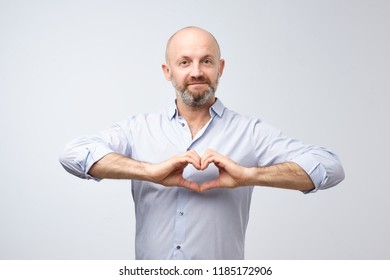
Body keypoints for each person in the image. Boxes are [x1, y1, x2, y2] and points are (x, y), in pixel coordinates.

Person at [59, 26, 345, 260]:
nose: (196, 71)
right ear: (167, 71)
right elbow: (73, 154)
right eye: (184, 62)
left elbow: (330, 167)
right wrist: (148, 171)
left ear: (220, 68)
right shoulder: (138, 129)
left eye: (206, 61)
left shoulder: (251, 132)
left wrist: (250, 175)